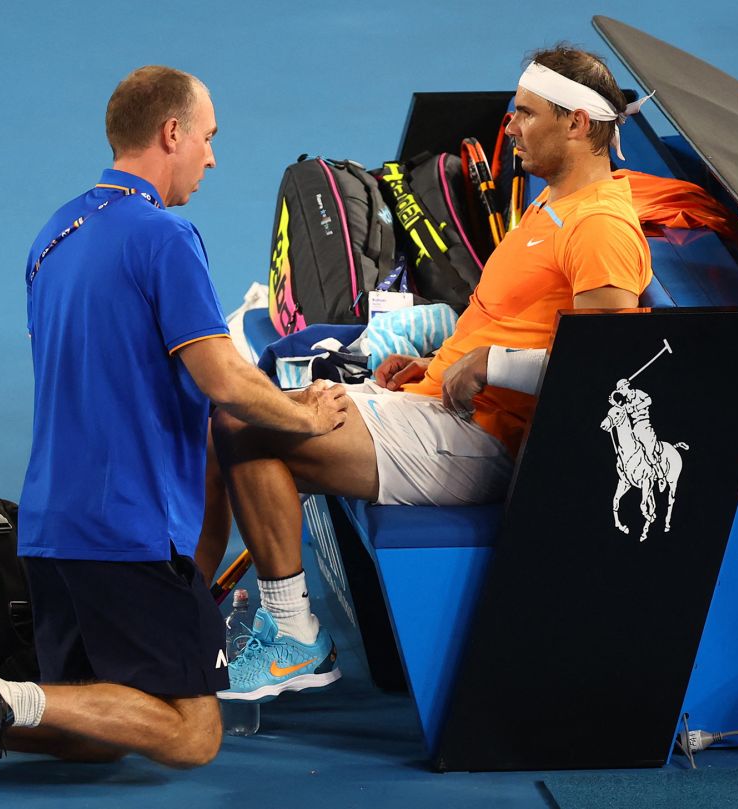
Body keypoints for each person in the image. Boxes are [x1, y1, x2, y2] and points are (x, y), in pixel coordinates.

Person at [0, 65, 347, 791]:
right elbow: (221, 380)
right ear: (171, 133)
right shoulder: (166, 236)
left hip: (52, 531)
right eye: (207, 139)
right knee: (192, 731)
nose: (212, 158)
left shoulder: (51, 238)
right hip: (128, 532)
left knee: (97, 731)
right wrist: (304, 413)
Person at [213, 45, 655, 703]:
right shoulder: (554, 203)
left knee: (246, 429)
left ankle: (294, 638)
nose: (510, 126)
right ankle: (225, 622)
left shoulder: (600, 228)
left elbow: (609, 372)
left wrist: (491, 365)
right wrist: (437, 361)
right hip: (437, 405)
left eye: (527, 115)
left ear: (578, 125)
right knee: (238, 424)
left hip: (486, 440)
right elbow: (514, 321)